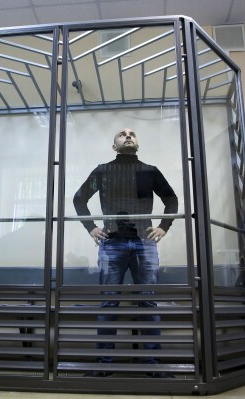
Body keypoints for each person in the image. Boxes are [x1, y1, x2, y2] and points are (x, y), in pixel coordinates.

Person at [73, 127, 178, 378]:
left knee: (149, 301)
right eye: (122, 134)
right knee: (109, 301)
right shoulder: (103, 171)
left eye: (132, 134)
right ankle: (103, 364)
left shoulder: (149, 171)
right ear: (114, 146)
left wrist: (164, 227)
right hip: (112, 243)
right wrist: (91, 228)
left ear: (137, 144)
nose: (128, 136)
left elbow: (171, 199)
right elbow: (79, 199)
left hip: (144, 242)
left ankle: (153, 364)